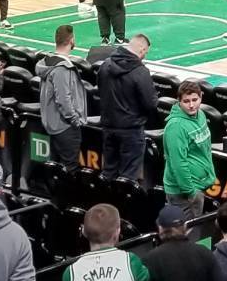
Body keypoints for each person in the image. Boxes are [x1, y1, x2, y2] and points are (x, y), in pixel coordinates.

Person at [96, 33, 160, 186]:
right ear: (142, 49)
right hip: (131, 130)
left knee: (108, 172)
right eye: (145, 52)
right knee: (128, 178)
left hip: (108, 127)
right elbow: (151, 103)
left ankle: (107, 207)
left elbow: (100, 90)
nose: (144, 56)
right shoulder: (140, 71)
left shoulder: (105, 65)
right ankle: (123, 208)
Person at [32, 24, 90, 167]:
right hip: (65, 127)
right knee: (70, 169)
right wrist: (75, 120)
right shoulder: (62, 68)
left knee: (56, 167)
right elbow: (63, 99)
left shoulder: (47, 63)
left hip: (51, 124)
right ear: (71, 40)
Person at [160, 83, 217, 213]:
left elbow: (205, 150)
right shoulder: (176, 127)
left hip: (198, 186)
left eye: (194, 100)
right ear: (179, 101)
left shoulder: (201, 114)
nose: (191, 105)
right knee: (188, 232)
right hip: (183, 193)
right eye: (186, 101)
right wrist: (191, 192)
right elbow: (178, 163)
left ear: (201, 98)